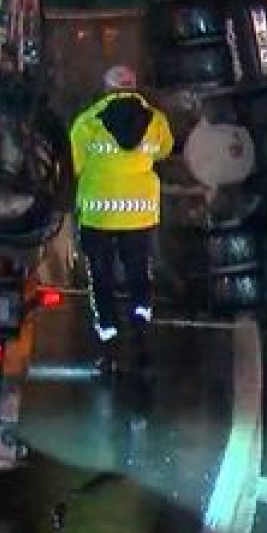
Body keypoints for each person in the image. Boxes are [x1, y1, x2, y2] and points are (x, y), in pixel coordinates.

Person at [70, 65, 174, 352]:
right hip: (140, 213)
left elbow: (74, 165)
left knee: (100, 274)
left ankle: (108, 331)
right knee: (138, 269)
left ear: (106, 89)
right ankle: (140, 319)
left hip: (98, 214)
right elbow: (164, 150)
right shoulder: (156, 120)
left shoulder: (87, 122)